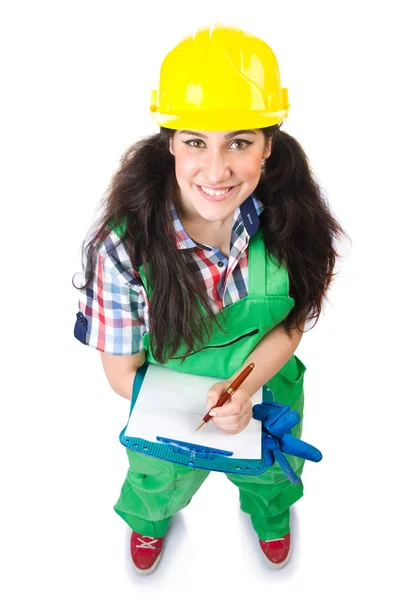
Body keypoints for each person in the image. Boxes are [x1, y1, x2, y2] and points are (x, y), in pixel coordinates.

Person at [72, 24, 346, 575]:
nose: (216, 170)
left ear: (268, 146)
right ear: (169, 140)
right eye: (196, 141)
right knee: (156, 481)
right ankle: (150, 524)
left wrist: (244, 391)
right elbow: (122, 372)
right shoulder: (123, 248)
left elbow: (291, 324)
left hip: (265, 387)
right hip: (168, 408)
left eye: (239, 142)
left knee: (272, 470)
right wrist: (203, 404)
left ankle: (270, 519)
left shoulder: (293, 221)